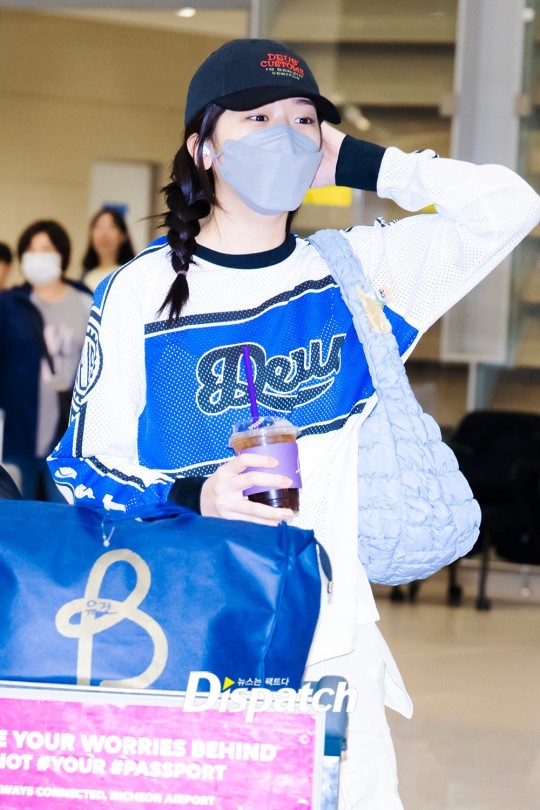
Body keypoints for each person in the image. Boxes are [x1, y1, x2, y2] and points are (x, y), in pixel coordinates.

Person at [48, 38, 540, 808]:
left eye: (303, 118)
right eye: (256, 116)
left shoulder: (356, 275)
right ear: (202, 146)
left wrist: (366, 163)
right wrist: (195, 495)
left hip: (333, 650)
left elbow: (511, 206)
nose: (283, 133)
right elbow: (83, 472)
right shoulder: (139, 295)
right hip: (189, 640)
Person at [0, 220, 92, 501]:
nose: (36, 255)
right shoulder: (10, 304)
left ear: (61, 254)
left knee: (65, 517)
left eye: (45, 248)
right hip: (18, 433)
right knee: (17, 520)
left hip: (69, 436)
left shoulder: (85, 301)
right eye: (29, 249)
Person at [81, 206, 135, 292]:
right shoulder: (85, 277)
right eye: (99, 226)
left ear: (123, 236)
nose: (104, 233)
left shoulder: (131, 274)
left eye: (112, 226)